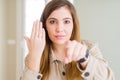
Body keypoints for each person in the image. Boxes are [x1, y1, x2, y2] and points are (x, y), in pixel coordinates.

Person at [20, 0, 115, 80]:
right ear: (45, 26)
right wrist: (35, 57)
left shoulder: (90, 48)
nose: (60, 28)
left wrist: (85, 59)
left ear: (73, 25)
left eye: (66, 21)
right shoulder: (33, 56)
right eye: (53, 21)